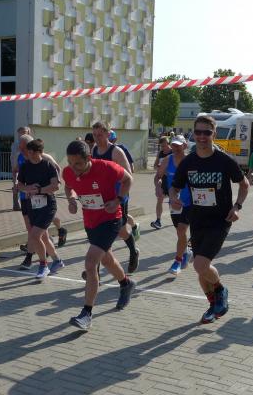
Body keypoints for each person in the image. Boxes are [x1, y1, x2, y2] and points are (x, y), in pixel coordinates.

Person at [170, 115, 249, 323]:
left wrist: (237, 206)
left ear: (214, 133)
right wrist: (173, 197)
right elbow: (174, 187)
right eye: (198, 132)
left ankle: (221, 290)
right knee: (201, 269)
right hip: (197, 220)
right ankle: (213, 305)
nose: (202, 136)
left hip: (220, 220)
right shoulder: (188, 162)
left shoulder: (224, 160)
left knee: (200, 265)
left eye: (207, 132)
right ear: (193, 134)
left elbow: (244, 184)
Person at [63, 141, 136, 331]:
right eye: (70, 163)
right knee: (106, 259)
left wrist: (118, 200)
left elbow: (128, 179)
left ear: (89, 158)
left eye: (78, 164)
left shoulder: (106, 167)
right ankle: (126, 283)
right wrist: (71, 199)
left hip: (111, 220)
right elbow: (69, 186)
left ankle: (86, 314)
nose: (74, 168)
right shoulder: (68, 171)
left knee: (91, 263)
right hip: (91, 222)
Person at [91, 121, 140, 273]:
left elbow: (129, 176)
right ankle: (95, 271)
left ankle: (133, 251)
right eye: (94, 135)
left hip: (118, 196)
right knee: (100, 230)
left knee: (121, 231)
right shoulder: (94, 150)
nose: (97, 138)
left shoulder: (116, 152)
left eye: (100, 135)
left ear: (108, 134)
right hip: (101, 196)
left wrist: (118, 198)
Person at [15, 134, 68, 268]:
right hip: (32, 205)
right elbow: (19, 185)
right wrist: (27, 188)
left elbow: (56, 185)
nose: (27, 154)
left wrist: (39, 190)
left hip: (48, 205)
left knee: (34, 235)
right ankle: (57, 260)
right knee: (43, 236)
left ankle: (42, 265)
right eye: (26, 151)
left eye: (30, 152)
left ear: (39, 152)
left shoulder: (47, 164)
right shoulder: (25, 165)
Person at [156, 136, 191, 274]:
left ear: (185, 146)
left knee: (181, 229)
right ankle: (186, 251)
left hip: (189, 202)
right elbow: (158, 176)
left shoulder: (191, 160)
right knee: (179, 231)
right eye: (173, 145)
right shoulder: (167, 160)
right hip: (173, 201)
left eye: (178, 145)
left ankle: (177, 261)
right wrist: (158, 186)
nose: (175, 148)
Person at [151, 135, 172, 230]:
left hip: (172, 180)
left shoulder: (173, 152)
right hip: (162, 179)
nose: (163, 148)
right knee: (160, 199)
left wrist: (168, 171)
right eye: (161, 146)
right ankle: (158, 220)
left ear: (168, 143)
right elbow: (155, 166)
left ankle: (177, 218)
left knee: (173, 200)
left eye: (164, 145)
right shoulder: (160, 153)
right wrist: (161, 169)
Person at [11, 126, 32, 211]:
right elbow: (14, 158)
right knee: (16, 185)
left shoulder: (31, 143)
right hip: (18, 165)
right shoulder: (16, 145)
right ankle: (16, 203)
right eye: (21, 132)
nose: (23, 133)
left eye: (25, 132)